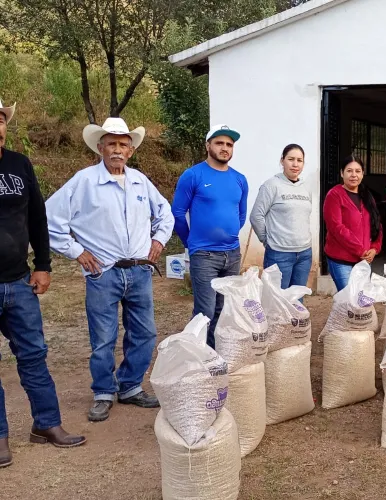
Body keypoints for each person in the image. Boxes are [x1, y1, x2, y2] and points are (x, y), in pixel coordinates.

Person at [46, 117, 174, 422]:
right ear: (100, 148)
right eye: (112, 144)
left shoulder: (140, 181)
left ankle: (129, 386)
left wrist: (158, 240)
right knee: (103, 338)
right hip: (103, 272)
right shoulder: (84, 181)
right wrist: (76, 251)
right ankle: (103, 391)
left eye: (123, 145)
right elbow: (49, 219)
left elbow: (165, 214)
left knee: (144, 333)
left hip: (139, 272)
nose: (117, 150)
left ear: (131, 151)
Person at [0, 97, 85, 468]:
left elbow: (37, 217)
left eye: (0, 119)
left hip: (20, 282)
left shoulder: (19, 164)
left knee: (34, 355)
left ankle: (46, 424)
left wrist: (44, 265)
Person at [172, 125, 248, 347]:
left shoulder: (240, 179)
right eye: (219, 143)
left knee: (224, 309)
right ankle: (198, 355)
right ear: (207, 145)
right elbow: (177, 213)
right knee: (205, 310)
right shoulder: (193, 175)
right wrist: (191, 242)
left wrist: (229, 234)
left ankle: (215, 353)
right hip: (204, 254)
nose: (225, 148)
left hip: (232, 254)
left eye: (229, 144)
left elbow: (241, 215)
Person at [250, 144, 312, 289]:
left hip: (304, 254)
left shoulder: (306, 187)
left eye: (299, 160)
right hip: (279, 254)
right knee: (277, 298)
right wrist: (266, 240)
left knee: (297, 298)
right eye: (291, 159)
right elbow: (256, 216)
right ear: (282, 160)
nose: (295, 164)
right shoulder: (271, 185)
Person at [322, 155, 383, 291]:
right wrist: (360, 250)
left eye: (358, 171)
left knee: (360, 300)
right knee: (348, 298)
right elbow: (336, 228)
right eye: (349, 171)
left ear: (362, 174)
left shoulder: (367, 196)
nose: (354, 175)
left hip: (364, 260)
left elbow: (376, 223)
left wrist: (374, 248)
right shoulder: (334, 195)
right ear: (342, 173)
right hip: (341, 260)